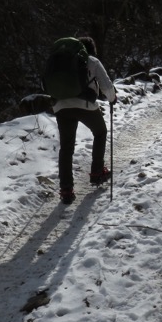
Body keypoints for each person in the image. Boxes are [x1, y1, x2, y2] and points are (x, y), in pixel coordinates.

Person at [51, 36, 116, 205]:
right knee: (100, 132)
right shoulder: (92, 60)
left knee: (66, 147)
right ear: (91, 49)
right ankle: (97, 173)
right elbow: (106, 86)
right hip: (84, 104)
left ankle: (66, 189)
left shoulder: (61, 60)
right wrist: (112, 98)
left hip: (60, 105)